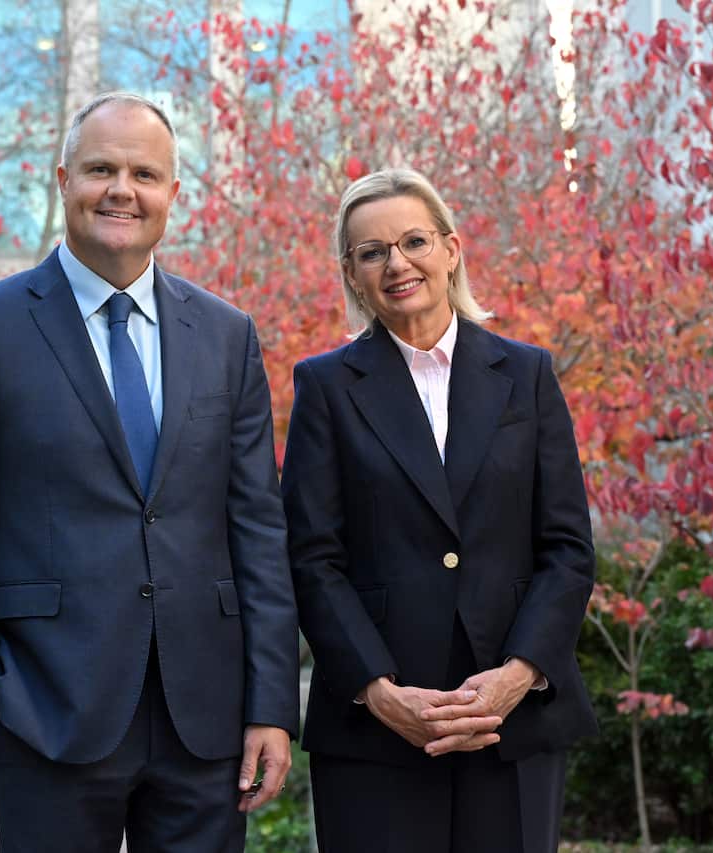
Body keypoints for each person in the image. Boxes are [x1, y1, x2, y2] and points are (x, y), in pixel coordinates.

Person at [0, 92, 300, 853]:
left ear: (173, 195)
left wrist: (270, 703)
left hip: (204, 719)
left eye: (145, 173)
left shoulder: (226, 335)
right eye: (102, 169)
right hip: (46, 710)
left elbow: (257, 531)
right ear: (62, 179)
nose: (123, 189)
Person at [281, 168, 598, 852]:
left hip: (512, 722)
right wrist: (379, 690)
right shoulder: (325, 388)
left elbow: (568, 548)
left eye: (414, 240)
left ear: (451, 249)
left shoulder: (527, 375)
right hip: (377, 732)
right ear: (353, 273)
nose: (397, 263)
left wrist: (518, 674)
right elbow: (311, 558)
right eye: (373, 252)